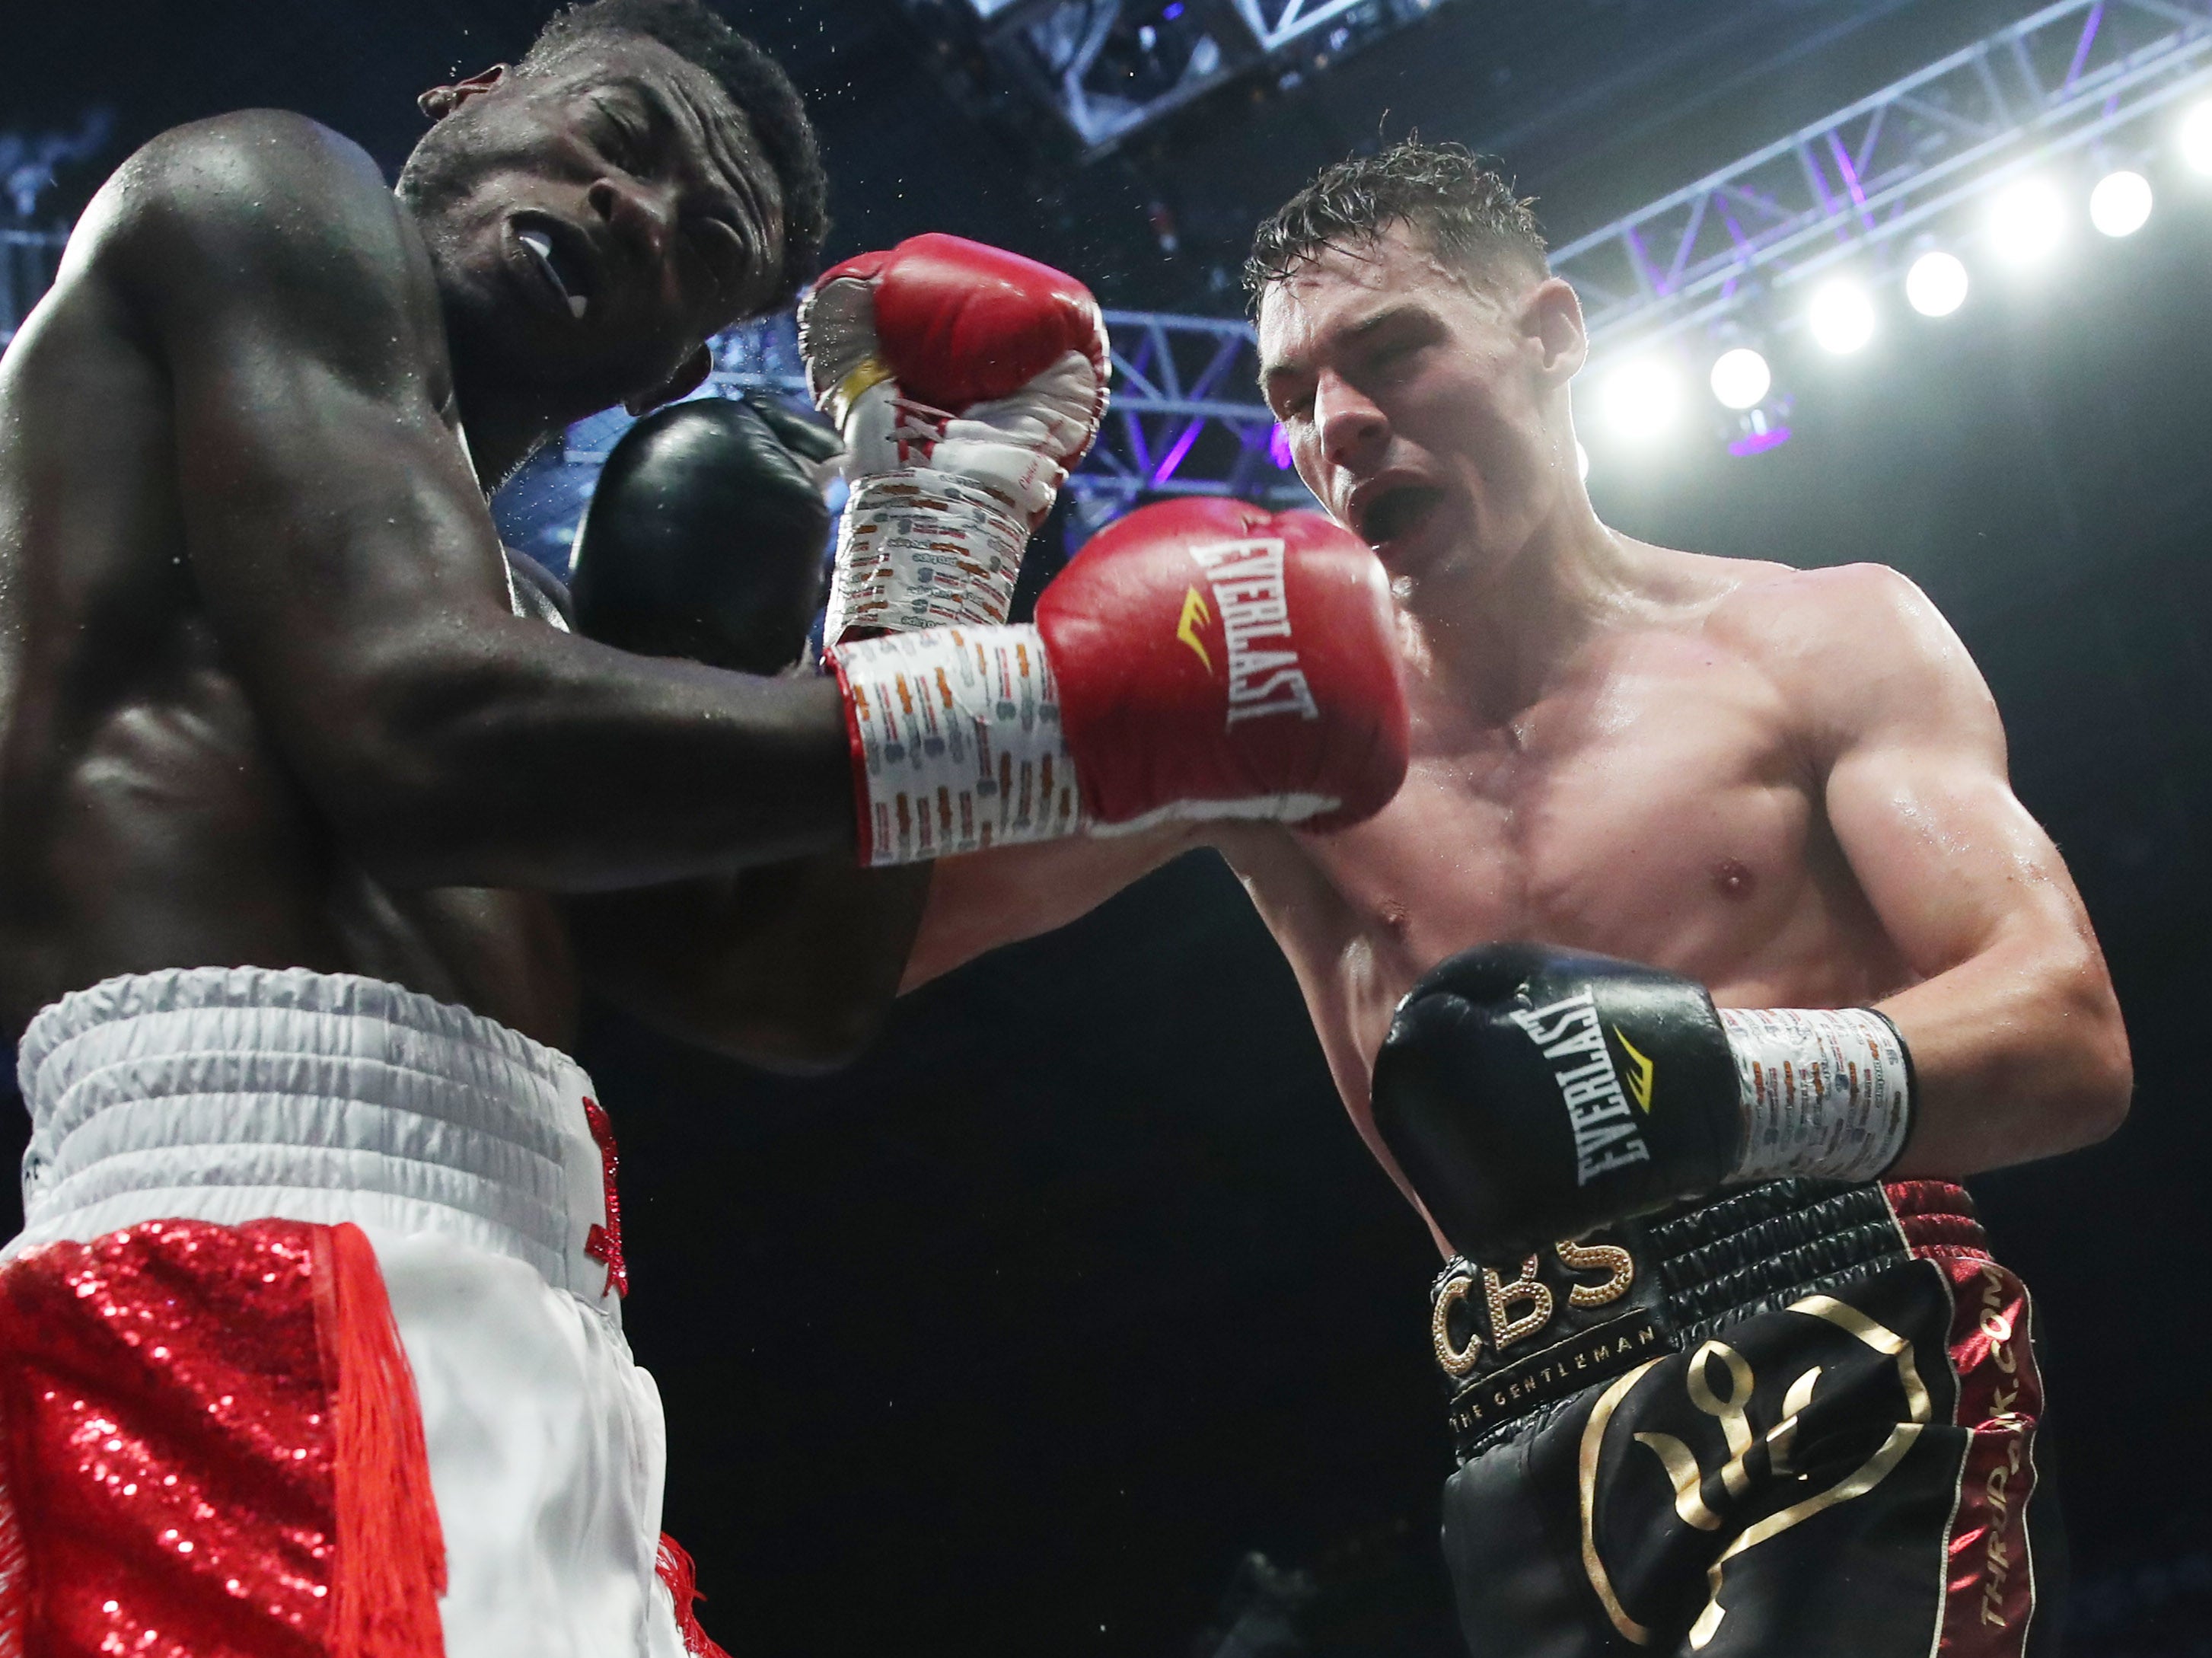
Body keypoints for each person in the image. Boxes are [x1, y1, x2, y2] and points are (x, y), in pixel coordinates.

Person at [0, 0, 1411, 1649]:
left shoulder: (537, 643)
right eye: (621, 137)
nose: (636, 209)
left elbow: (788, 989)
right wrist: (1055, 712)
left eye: (703, 236)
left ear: (673, 366)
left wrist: (927, 539)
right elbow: (414, 731)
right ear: (472, 96)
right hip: (226, 1288)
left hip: (550, 1361)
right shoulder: (258, 190)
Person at [904, 141, 2132, 1656]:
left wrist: (1714, 1085)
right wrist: (933, 525)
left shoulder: (1816, 641)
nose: (1339, 425)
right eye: (1292, 397)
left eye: (1393, 352)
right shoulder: (1268, 731)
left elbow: (2066, 1032)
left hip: (1843, 1332)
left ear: (1551, 337)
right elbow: (867, 931)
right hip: (1520, 1431)